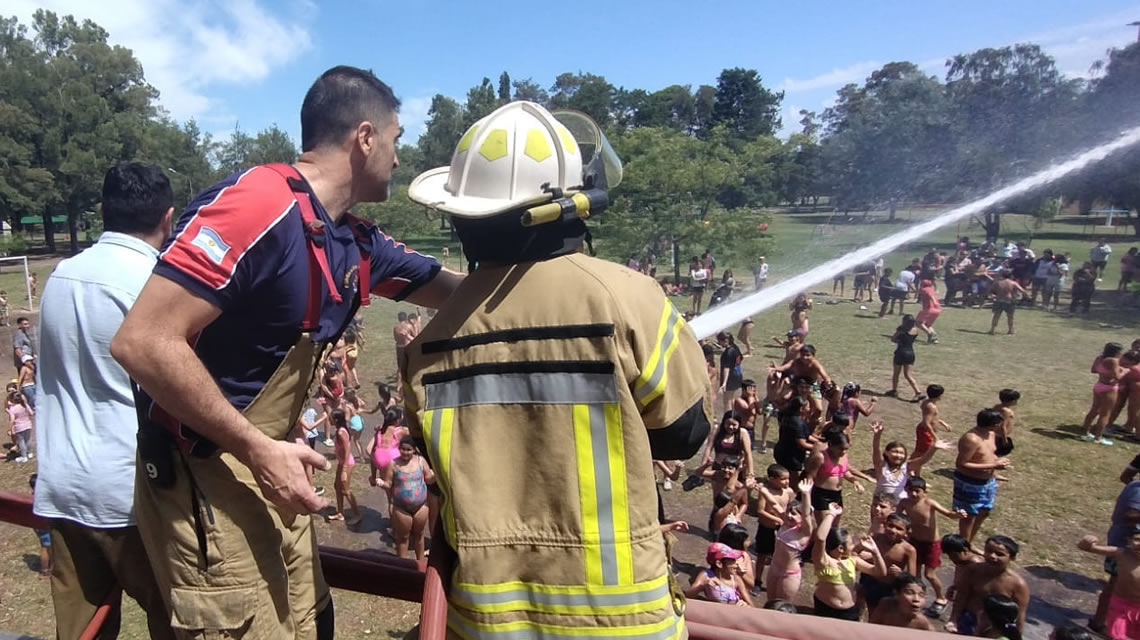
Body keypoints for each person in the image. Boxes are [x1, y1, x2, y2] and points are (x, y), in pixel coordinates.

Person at [111, 67, 462, 638]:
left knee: (308, 622)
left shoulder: (355, 241)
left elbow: (454, 289)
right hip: (208, 476)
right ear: (366, 138)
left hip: (272, 467)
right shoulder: (256, 204)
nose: (400, 159)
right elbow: (142, 341)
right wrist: (256, 447)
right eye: (396, 140)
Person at [402, 101, 710, 637]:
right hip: (623, 621)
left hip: (485, 622)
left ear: (460, 217)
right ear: (567, 206)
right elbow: (685, 434)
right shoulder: (627, 297)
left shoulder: (431, 341)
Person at [31, 164, 181, 639]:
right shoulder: (157, 284)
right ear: (169, 218)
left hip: (63, 483)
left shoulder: (62, 276)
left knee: (80, 631)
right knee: (176, 621)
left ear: (101, 212)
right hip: (131, 493)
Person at [898, 476, 966, 618]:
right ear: (906, 490)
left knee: (930, 574)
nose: (914, 494)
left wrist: (957, 514)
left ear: (924, 492)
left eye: (918, 491)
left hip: (932, 544)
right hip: (915, 541)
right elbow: (898, 518)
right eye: (911, 491)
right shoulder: (904, 502)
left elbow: (948, 513)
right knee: (914, 573)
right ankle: (916, 596)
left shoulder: (929, 503)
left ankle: (941, 597)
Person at [811, 504, 887, 621]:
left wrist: (875, 552)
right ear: (841, 548)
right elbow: (821, 538)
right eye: (851, 543)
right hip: (825, 608)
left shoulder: (853, 561)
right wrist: (831, 514)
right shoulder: (823, 561)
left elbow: (880, 572)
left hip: (848, 612)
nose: (854, 546)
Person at [946, 536, 1029, 635]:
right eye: (989, 551)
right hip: (968, 620)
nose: (992, 556)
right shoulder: (972, 570)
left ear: (1012, 558)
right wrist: (953, 620)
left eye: (1000, 554)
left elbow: (1020, 615)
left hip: (996, 628)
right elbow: (961, 596)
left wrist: (1017, 636)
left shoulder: (1018, 584)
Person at [1090, 471, 1140, 634]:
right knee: (1116, 585)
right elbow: (1131, 515)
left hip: (1131, 545)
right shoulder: (1138, 489)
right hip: (1124, 545)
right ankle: (1100, 622)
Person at [954, 409, 1011, 550]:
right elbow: (961, 464)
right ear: (991, 424)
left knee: (984, 511)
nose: (1000, 426)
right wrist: (994, 465)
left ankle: (969, 543)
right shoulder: (971, 439)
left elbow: (988, 453)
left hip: (987, 482)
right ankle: (963, 547)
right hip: (970, 483)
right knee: (969, 516)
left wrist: (997, 462)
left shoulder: (991, 434)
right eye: (999, 423)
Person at [1079, 526, 1140, 640]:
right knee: (1116, 635)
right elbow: (1087, 548)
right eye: (1137, 539)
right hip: (1121, 605)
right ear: (1128, 540)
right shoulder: (1121, 553)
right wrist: (1087, 542)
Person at [379, 436, 434, 561]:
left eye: (408, 450)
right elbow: (388, 483)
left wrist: (437, 475)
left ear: (414, 450)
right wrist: (382, 484)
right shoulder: (393, 464)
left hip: (421, 506)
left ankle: (420, 564)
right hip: (401, 508)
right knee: (403, 538)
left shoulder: (420, 461)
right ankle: (402, 567)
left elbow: (428, 478)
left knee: (419, 536)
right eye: (402, 449)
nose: (405, 452)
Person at [804, 431, 872, 528]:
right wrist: (806, 496)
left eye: (846, 449)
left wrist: (855, 481)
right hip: (822, 496)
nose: (843, 452)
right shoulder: (820, 457)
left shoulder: (843, 456)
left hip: (837, 495)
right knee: (824, 527)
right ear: (831, 445)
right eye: (840, 448)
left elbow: (844, 471)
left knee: (834, 526)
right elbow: (810, 476)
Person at [870, 421, 948, 505]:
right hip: (881, 504)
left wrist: (934, 448)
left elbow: (922, 460)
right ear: (886, 453)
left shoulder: (906, 467)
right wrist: (877, 436)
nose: (898, 455)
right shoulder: (881, 466)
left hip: (900, 506)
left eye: (901, 453)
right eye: (895, 452)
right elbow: (876, 450)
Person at [858, 513, 917, 616]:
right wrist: (862, 556)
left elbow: (912, 577)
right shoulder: (875, 539)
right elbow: (854, 553)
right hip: (870, 579)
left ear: (906, 533)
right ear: (885, 525)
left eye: (899, 528)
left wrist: (901, 574)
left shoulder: (908, 550)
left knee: (884, 613)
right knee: (863, 604)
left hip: (889, 586)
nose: (893, 530)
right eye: (890, 525)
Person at [766, 483, 815, 600]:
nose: (789, 515)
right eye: (788, 511)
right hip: (774, 569)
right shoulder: (785, 523)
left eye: (793, 513)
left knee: (781, 606)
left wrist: (806, 494)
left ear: (801, 517)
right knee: (770, 603)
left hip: (789, 574)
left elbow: (807, 514)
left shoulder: (804, 532)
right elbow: (773, 503)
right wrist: (762, 489)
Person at [752, 464, 794, 591]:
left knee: (781, 555)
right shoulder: (765, 492)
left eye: (788, 478)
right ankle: (757, 581)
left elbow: (792, 507)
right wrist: (777, 519)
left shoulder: (789, 491)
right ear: (772, 479)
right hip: (766, 528)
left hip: (782, 529)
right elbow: (760, 511)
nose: (787, 481)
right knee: (762, 555)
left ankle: (779, 580)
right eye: (783, 479)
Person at [1084, 342, 1126, 445]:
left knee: (1094, 410)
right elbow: (1117, 377)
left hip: (1099, 385)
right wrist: (1125, 371)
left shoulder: (1100, 358)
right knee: (1105, 414)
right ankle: (1098, 438)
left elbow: (1093, 370)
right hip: (1109, 388)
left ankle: (1085, 433)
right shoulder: (1114, 361)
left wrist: (1104, 372)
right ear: (1117, 352)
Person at [686, 543, 752, 607]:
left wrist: (746, 605)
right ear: (719, 564)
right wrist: (704, 584)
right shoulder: (706, 576)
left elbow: (751, 605)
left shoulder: (736, 579)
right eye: (732, 561)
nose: (736, 564)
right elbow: (688, 595)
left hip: (734, 613)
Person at [869, 574, 936, 631]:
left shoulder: (922, 623)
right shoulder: (886, 605)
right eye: (909, 593)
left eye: (921, 595)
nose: (916, 599)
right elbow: (870, 628)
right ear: (896, 593)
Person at [912, 384, 952, 477]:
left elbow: (933, 417)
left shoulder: (928, 403)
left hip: (925, 431)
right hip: (925, 433)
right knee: (922, 455)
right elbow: (927, 423)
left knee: (918, 453)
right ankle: (916, 475)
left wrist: (943, 423)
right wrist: (935, 437)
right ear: (939, 395)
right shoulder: (930, 406)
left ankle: (907, 467)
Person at [887, 314, 923, 401]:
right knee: (908, 375)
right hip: (910, 353)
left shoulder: (901, 329)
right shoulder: (915, 330)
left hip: (900, 352)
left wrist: (898, 336)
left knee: (896, 374)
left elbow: (893, 339)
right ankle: (917, 392)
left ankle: (894, 390)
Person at [28, 473, 53, 578]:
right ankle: (45, 570)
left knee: (47, 546)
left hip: (37, 525)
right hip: (44, 525)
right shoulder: (41, 498)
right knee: (46, 547)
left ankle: (50, 566)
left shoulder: (31, 496)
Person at [987, 271, 1027, 336]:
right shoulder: (1013, 283)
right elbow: (1023, 291)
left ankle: (992, 330)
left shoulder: (997, 282)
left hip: (999, 300)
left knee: (996, 316)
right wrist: (1026, 297)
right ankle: (1010, 330)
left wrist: (992, 297)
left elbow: (990, 291)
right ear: (1011, 276)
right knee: (1010, 317)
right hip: (1009, 301)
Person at [718, 331, 745, 415]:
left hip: (730, 377)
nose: (718, 343)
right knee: (731, 398)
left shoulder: (728, 352)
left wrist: (724, 383)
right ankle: (733, 414)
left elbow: (727, 368)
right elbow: (741, 358)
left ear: (725, 340)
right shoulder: (735, 347)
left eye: (719, 341)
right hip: (738, 374)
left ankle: (728, 417)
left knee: (727, 401)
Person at [6, 382, 33, 462]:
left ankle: (24, 456)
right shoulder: (24, 405)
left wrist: (11, 429)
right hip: (28, 425)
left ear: (12, 400)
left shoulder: (12, 409)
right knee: (28, 440)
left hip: (19, 427)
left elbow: (12, 420)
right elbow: (31, 413)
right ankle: (29, 453)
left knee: (21, 442)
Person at [915, 278, 942, 344]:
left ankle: (930, 334)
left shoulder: (924, 289)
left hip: (930, 309)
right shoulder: (931, 289)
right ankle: (934, 339)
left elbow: (930, 295)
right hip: (937, 309)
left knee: (918, 323)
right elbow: (917, 292)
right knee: (927, 325)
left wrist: (934, 301)